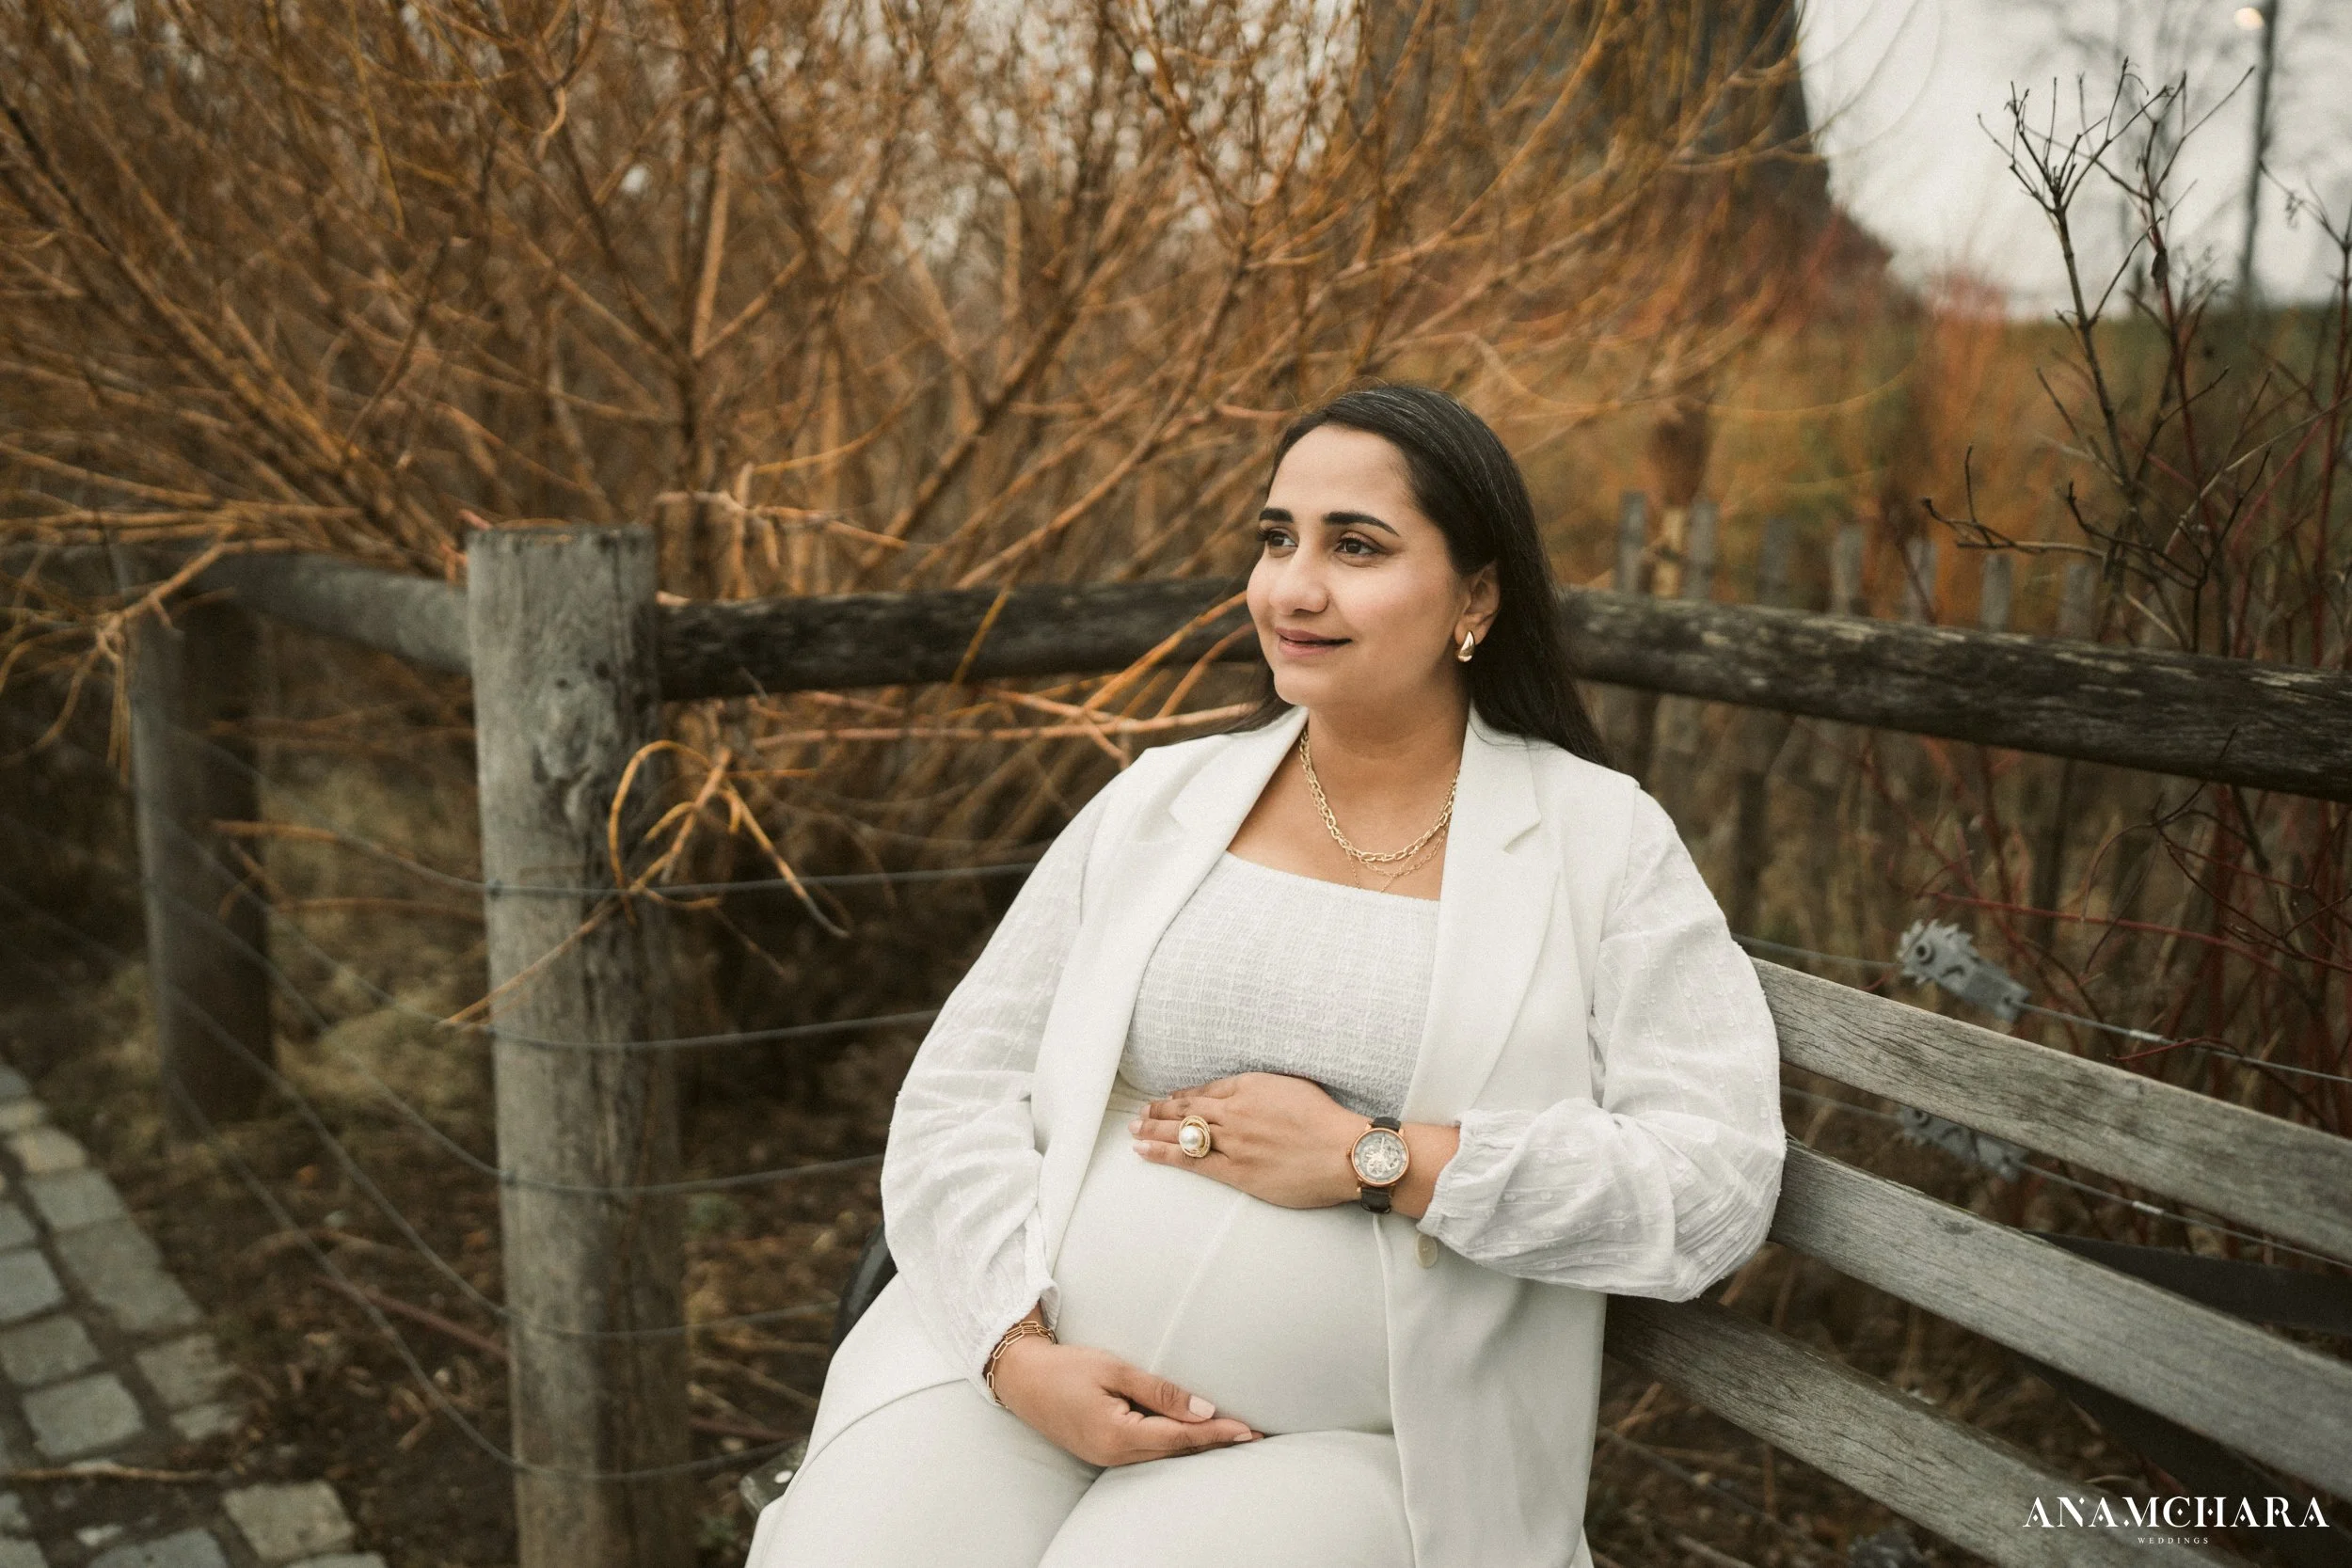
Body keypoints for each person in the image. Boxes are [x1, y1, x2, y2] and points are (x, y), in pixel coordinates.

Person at [743, 384, 1786, 1568]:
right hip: (1007, 1379)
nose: (1292, 587)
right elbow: (959, 1092)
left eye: (1356, 546)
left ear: (1477, 596)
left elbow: (1713, 1181)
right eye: (1277, 537)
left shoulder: (1600, 839)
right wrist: (1016, 1351)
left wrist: (1377, 1158)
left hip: (1347, 1441)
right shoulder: (1161, 799)